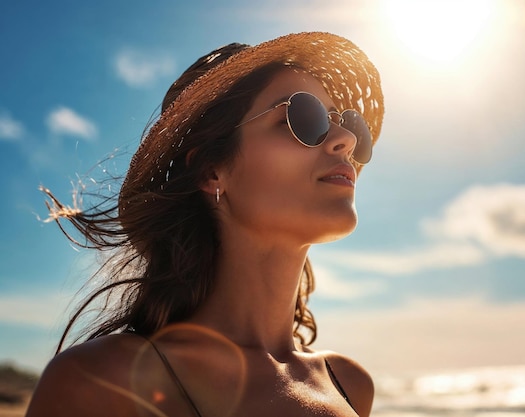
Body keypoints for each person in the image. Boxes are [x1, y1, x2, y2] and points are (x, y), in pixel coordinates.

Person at [25, 31, 384, 417]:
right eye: (303, 117)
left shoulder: (348, 384)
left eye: (348, 124)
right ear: (212, 172)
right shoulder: (100, 381)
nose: (345, 138)